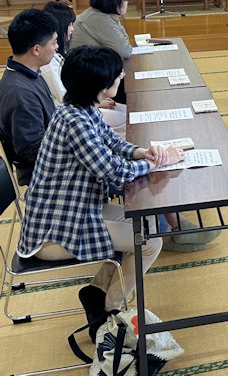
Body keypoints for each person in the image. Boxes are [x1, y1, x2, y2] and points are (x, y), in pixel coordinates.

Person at [15, 46, 185, 341]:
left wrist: (145, 152)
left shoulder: (78, 107)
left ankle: (96, 294)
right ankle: (109, 314)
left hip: (74, 210)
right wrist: (151, 163)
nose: (120, 79)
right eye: (118, 76)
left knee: (145, 225)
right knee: (149, 241)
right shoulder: (76, 122)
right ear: (102, 86)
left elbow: (113, 144)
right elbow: (113, 172)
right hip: (54, 231)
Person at [41, 1, 127, 134]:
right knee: (126, 120)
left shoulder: (58, 54)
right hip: (77, 109)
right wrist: (96, 101)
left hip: (84, 104)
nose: (72, 29)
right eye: (70, 24)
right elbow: (64, 96)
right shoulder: (48, 63)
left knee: (126, 111)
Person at [0, 9, 58, 185]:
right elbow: (33, 151)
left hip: (54, 154)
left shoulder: (28, 73)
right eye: (54, 42)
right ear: (36, 49)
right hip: (44, 174)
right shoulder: (20, 94)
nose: (57, 47)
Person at [69, 0, 132, 104]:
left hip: (91, 68)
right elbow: (125, 51)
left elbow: (125, 43)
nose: (127, 4)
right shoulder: (100, 19)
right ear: (114, 2)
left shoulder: (102, 15)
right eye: (125, 0)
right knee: (129, 79)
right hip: (88, 75)